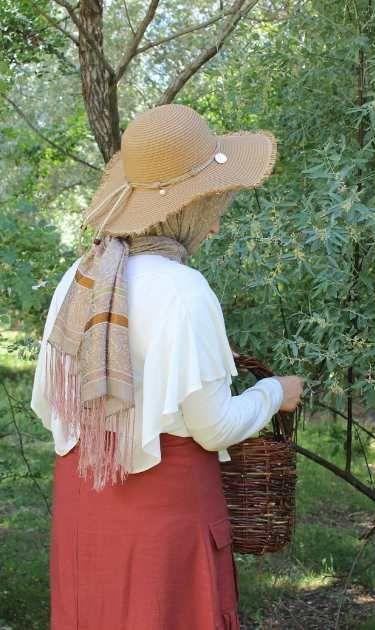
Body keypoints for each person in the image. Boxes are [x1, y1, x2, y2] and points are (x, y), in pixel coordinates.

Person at [29, 103, 305, 629]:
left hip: (85, 507)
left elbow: (50, 406)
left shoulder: (77, 279)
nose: (218, 221)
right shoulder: (185, 290)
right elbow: (214, 426)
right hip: (164, 511)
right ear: (183, 208)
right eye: (212, 202)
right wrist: (276, 394)